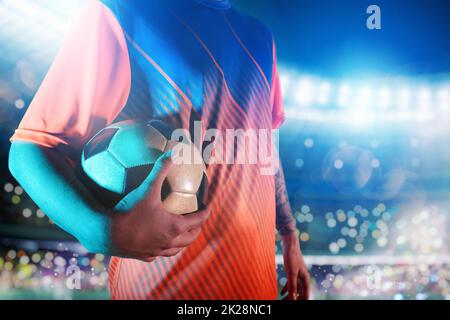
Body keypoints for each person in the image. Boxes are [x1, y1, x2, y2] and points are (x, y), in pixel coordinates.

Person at [8, 0, 309, 300]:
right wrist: (98, 230)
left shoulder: (260, 37)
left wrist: (289, 235)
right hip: (164, 288)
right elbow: (30, 149)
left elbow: (265, 143)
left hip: (257, 285)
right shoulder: (123, 10)